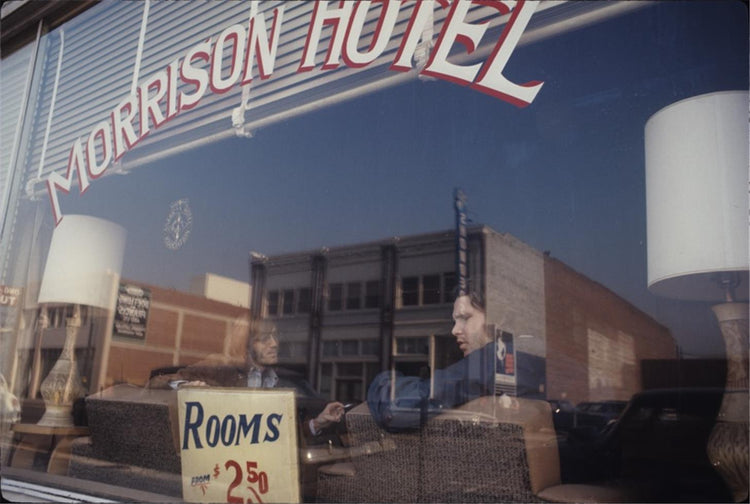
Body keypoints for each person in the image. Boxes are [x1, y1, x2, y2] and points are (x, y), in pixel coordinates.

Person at [150, 319, 345, 439]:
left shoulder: (283, 382)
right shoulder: (221, 368)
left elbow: (281, 437)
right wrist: (187, 386)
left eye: (276, 337)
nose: (274, 344)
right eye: (265, 339)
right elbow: (157, 382)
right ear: (245, 344)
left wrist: (318, 422)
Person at [366, 291, 496, 430]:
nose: (454, 330)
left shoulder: (484, 365)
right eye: (455, 321)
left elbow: (396, 409)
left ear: (494, 319)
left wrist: (382, 382)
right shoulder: (511, 363)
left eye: (465, 318)